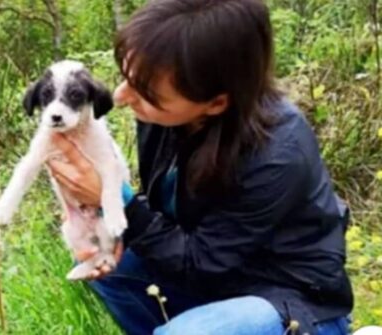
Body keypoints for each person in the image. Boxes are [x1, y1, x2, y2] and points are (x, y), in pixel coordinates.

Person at [46, 0, 354, 334]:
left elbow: (203, 262)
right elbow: (180, 216)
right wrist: (109, 220)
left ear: (217, 102)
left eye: (146, 92)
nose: (121, 97)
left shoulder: (278, 152)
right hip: (215, 276)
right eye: (126, 78)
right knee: (107, 262)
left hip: (291, 298)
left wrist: (116, 199)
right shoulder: (168, 116)